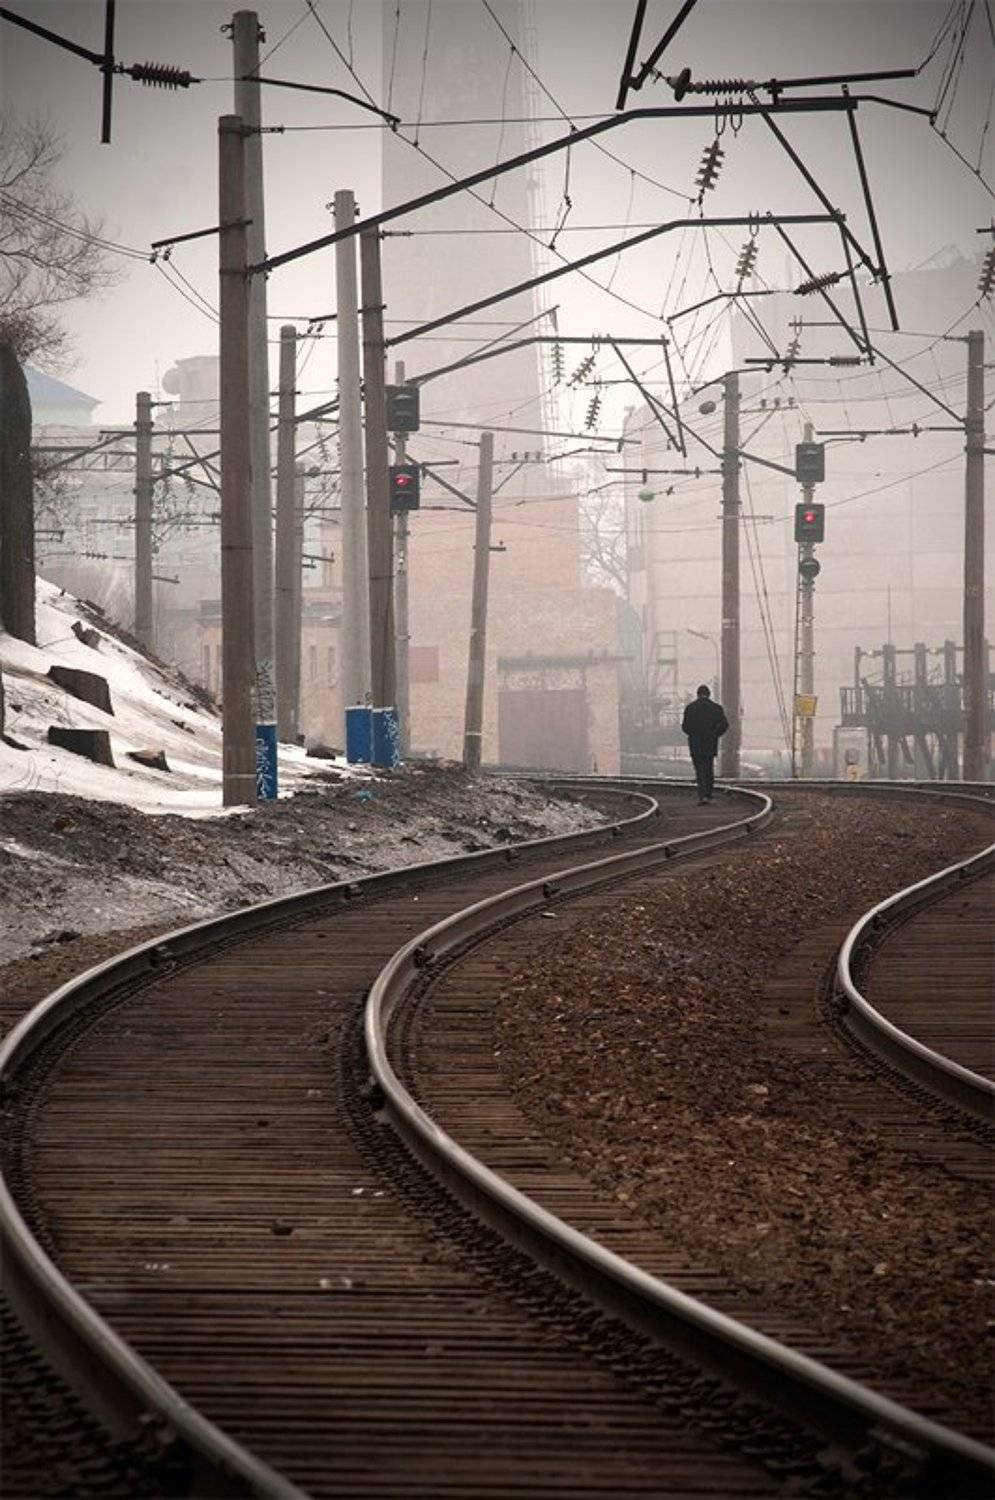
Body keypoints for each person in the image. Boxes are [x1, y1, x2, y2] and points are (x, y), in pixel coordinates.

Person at [681, 684, 729, 805]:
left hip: (695, 744)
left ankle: (702, 796)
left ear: (698, 695)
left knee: (699, 770)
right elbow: (724, 725)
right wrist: (715, 734)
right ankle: (708, 793)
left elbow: (685, 727)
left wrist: (694, 733)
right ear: (709, 694)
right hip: (710, 743)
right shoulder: (716, 708)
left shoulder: (690, 708)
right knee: (708, 768)